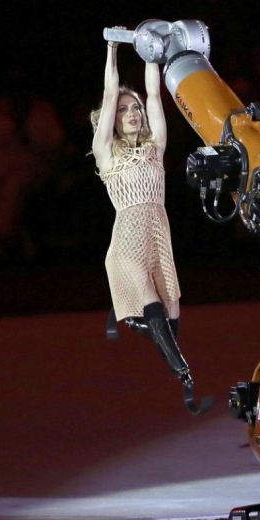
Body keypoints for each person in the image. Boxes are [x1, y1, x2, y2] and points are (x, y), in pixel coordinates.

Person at [91, 33, 189, 389]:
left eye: (135, 109)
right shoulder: (106, 152)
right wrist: (112, 49)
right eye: (123, 109)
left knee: (172, 311)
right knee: (150, 298)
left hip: (158, 236)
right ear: (111, 119)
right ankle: (181, 370)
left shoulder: (155, 147)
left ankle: (140, 324)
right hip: (128, 240)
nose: (132, 113)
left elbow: (154, 93)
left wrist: (152, 52)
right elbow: (109, 91)